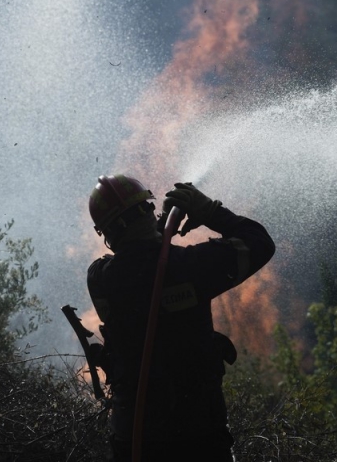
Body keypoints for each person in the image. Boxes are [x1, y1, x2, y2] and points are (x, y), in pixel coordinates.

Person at [87, 175, 275, 461]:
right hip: (196, 438)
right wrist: (210, 211)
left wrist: (159, 227)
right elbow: (259, 243)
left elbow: (140, 261)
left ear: (108, 232)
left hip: (133, 438)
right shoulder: (191, 267)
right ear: (146, 212)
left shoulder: (99, 279)